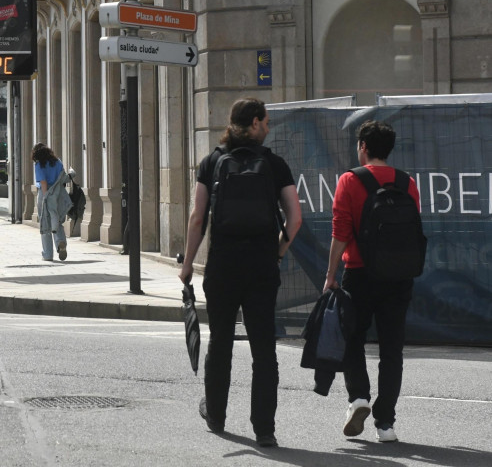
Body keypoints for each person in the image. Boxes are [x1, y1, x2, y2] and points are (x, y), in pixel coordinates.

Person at [179, 97, 301, 448]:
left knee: (221, 343)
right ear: (254, 124)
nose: (268, 127)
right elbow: (295, 219)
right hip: (262, 266)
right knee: (264, 349)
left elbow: (198, 218)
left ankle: (216, 415)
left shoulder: (212, 162)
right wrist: (277, 253)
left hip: (223, 266)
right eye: (265, 122)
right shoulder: (275, 164)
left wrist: (188, 264)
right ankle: (264, 429)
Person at [324, 120, 419, 443]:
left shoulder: (350, 180)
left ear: (363, 146)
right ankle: (386, 424)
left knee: (353, 338)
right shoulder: (408, 183)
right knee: (392, 350)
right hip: (399, 277)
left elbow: (340, 233)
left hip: (360, 274)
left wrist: (330, 275)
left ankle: (359, 398)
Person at [32, 142, 70, 261]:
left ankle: (48, 254)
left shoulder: (39, 164)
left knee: (45, 223)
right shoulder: (57, 162)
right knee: (56, 219)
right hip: (58, 194)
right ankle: (60, 242)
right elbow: (63, 177)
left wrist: (44, 197)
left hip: (46, 194)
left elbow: (43, 182)